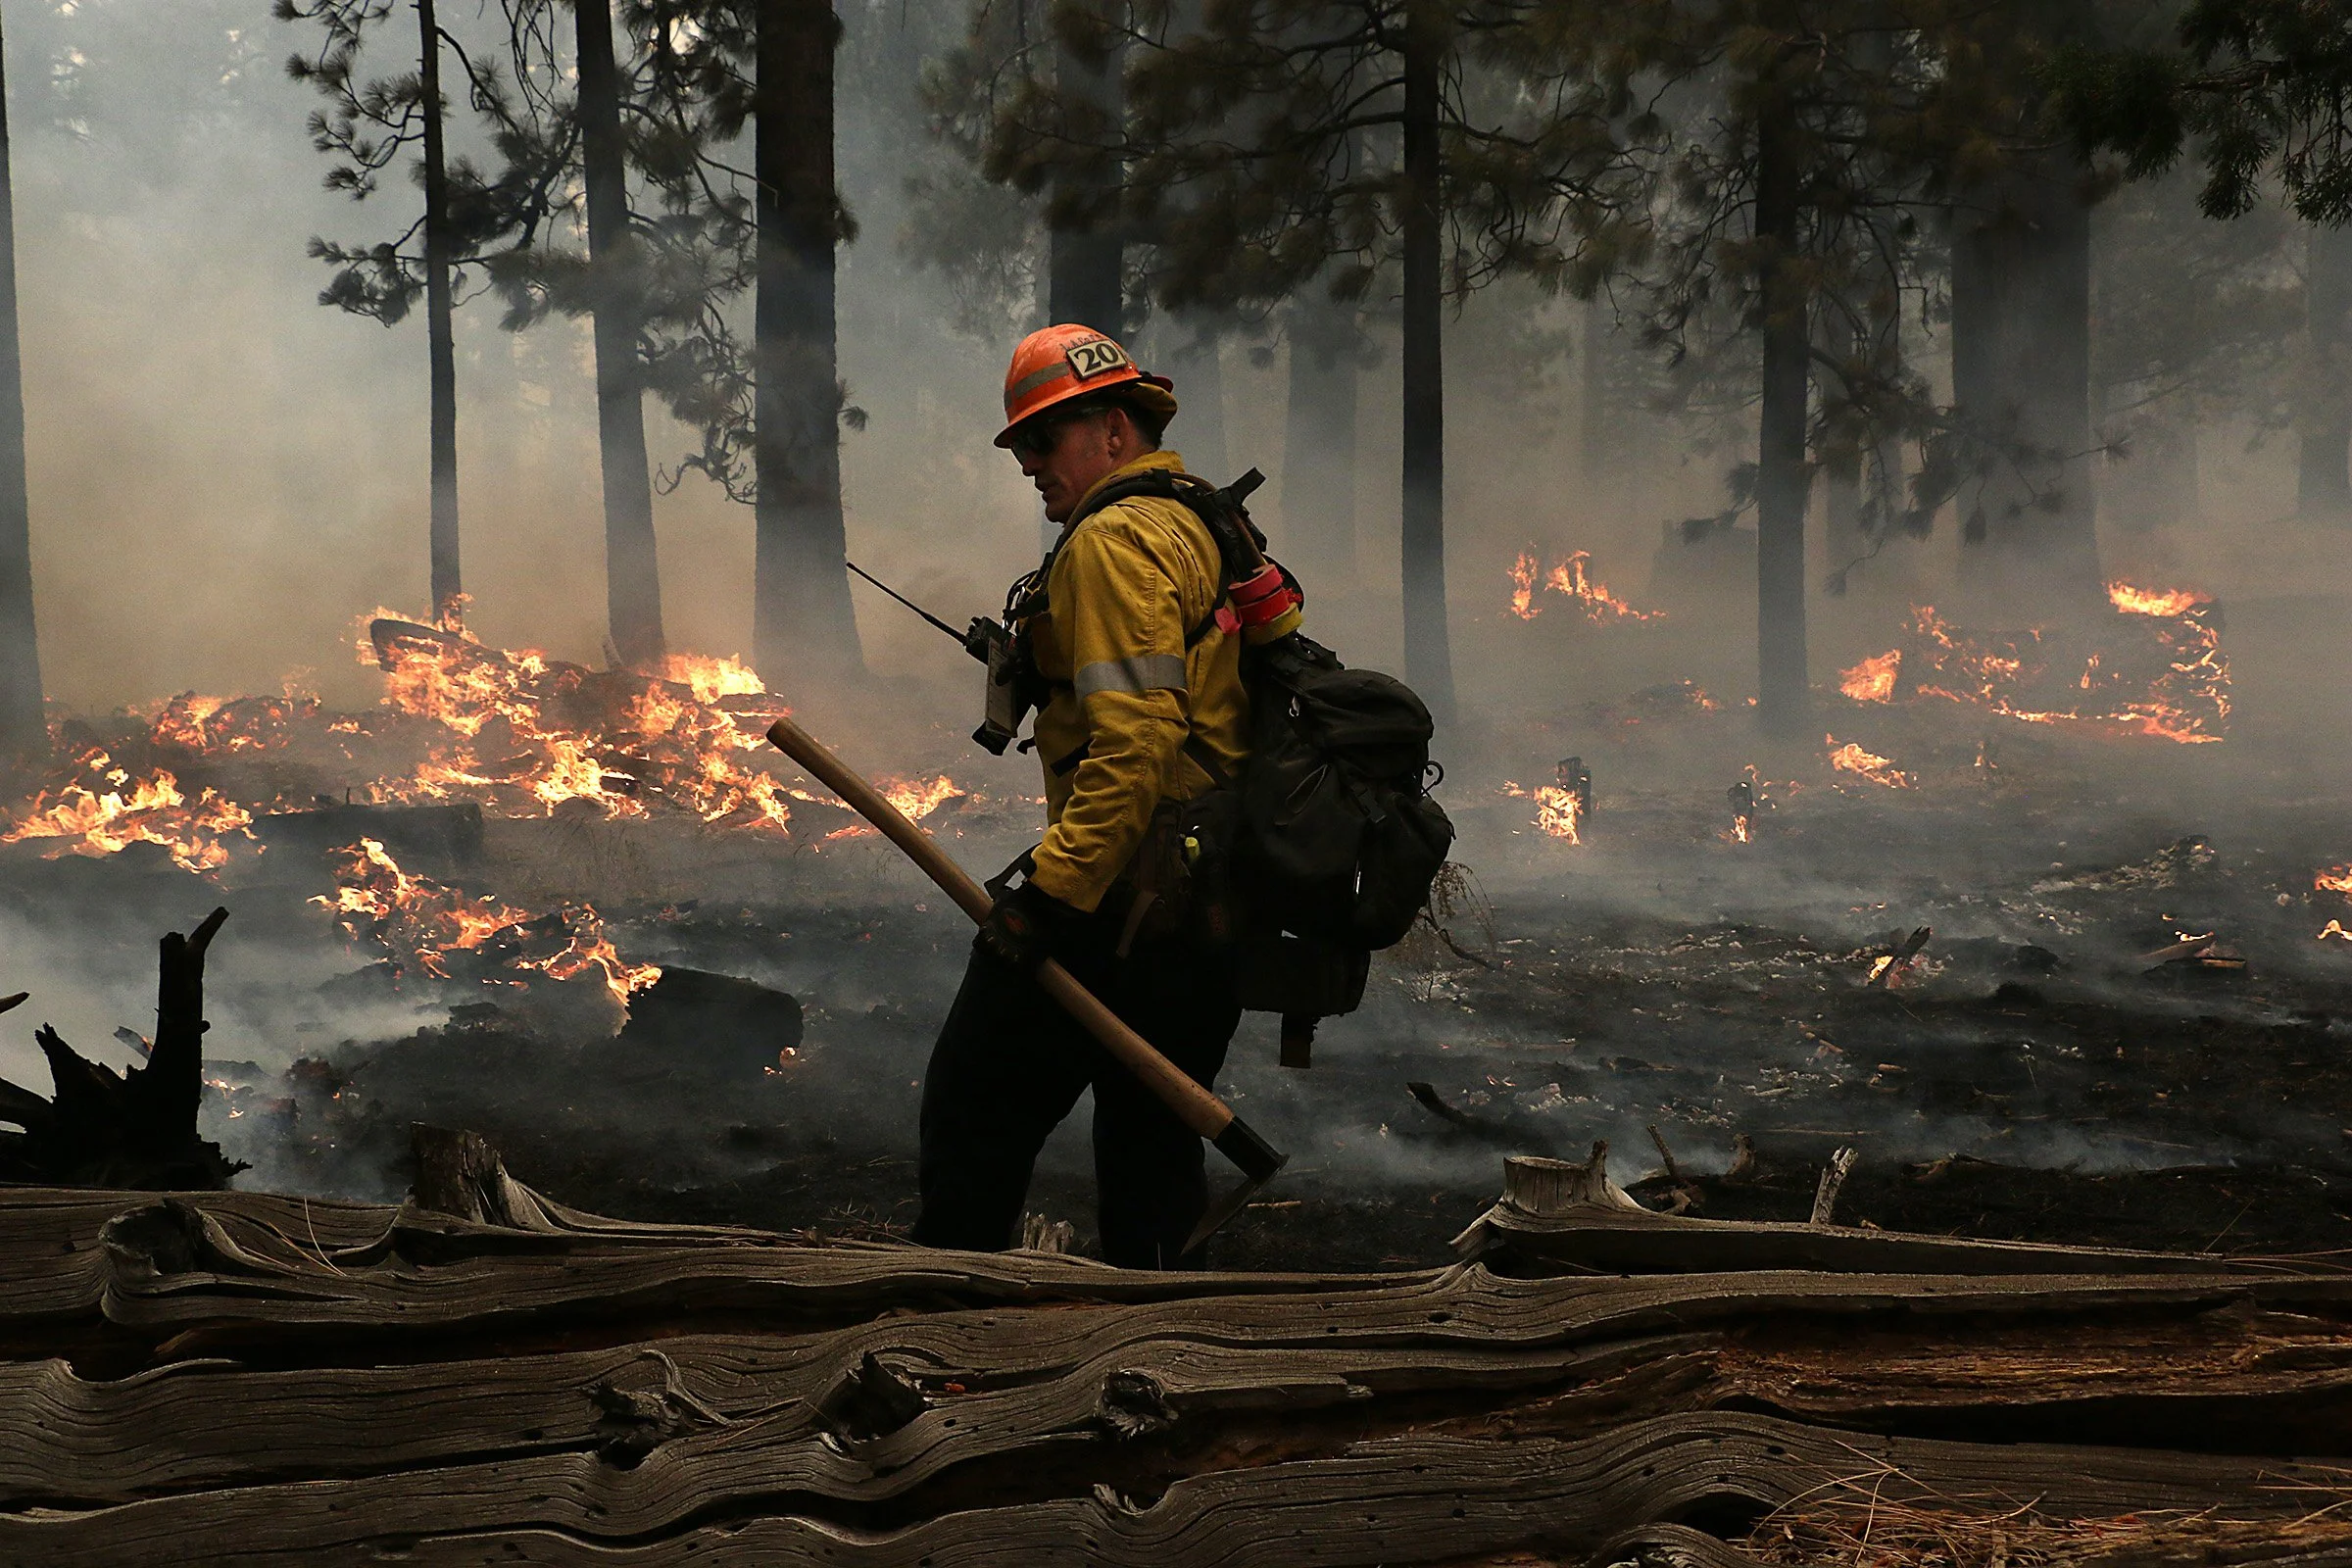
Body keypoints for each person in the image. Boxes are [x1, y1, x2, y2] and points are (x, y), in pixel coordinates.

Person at [908, 323, 1252, 1268]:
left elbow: (1137, 743)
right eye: (1019, 443)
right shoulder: (1196, 516)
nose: (1027, 462)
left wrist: (1047, 901)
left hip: (1121, 896)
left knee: (971, 1106)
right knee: (1150, 1152)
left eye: (1043, 438)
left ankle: (947, 1319)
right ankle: (1159, 1364)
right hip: (1205, 899)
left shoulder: (1112, 540)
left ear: (1112, 429)